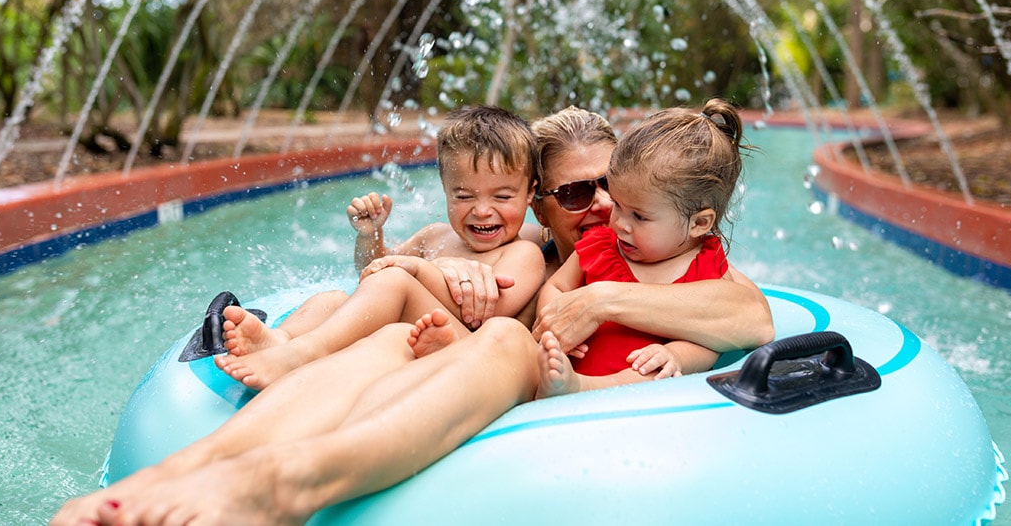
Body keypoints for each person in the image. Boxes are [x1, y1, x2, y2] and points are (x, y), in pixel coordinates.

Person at [50, 103, 773, 526]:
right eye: (578, 193)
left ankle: (278, 486)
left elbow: (749, 318)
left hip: (527, 374)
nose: (605, 207)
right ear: (537, 198)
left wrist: (602, 300)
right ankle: (177, 473)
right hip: (470, 358)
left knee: (493, 338)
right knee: (392, 329)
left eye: (611, 189)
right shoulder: (529, 243)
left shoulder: (662, 254)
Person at [214, 104, 546, 389]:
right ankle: (280, 340)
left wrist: (416, 269)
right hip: (420, 333)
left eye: (502, 196)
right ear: (445, 188)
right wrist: (371, 235)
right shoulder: (435, 235)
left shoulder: (522, 253)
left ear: (530, 193)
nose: (482, 210)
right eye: (464, 196)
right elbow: (373, 271)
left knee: (397, 280)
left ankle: (303, 353)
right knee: (331, 300)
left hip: (470, 348)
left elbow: (487, 312)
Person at [534, 99, 750, 397]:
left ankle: (580, 387)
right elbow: (557, 287)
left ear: (699, 224)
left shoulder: (706, 267)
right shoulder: (600, 245)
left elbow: (713, 337)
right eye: (574, 193)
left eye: (639, 215)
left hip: (637, 387)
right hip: (574, 363)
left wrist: (677, 355)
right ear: (538, 210)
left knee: (652, 372)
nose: (617, 219)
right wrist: (554, 325)